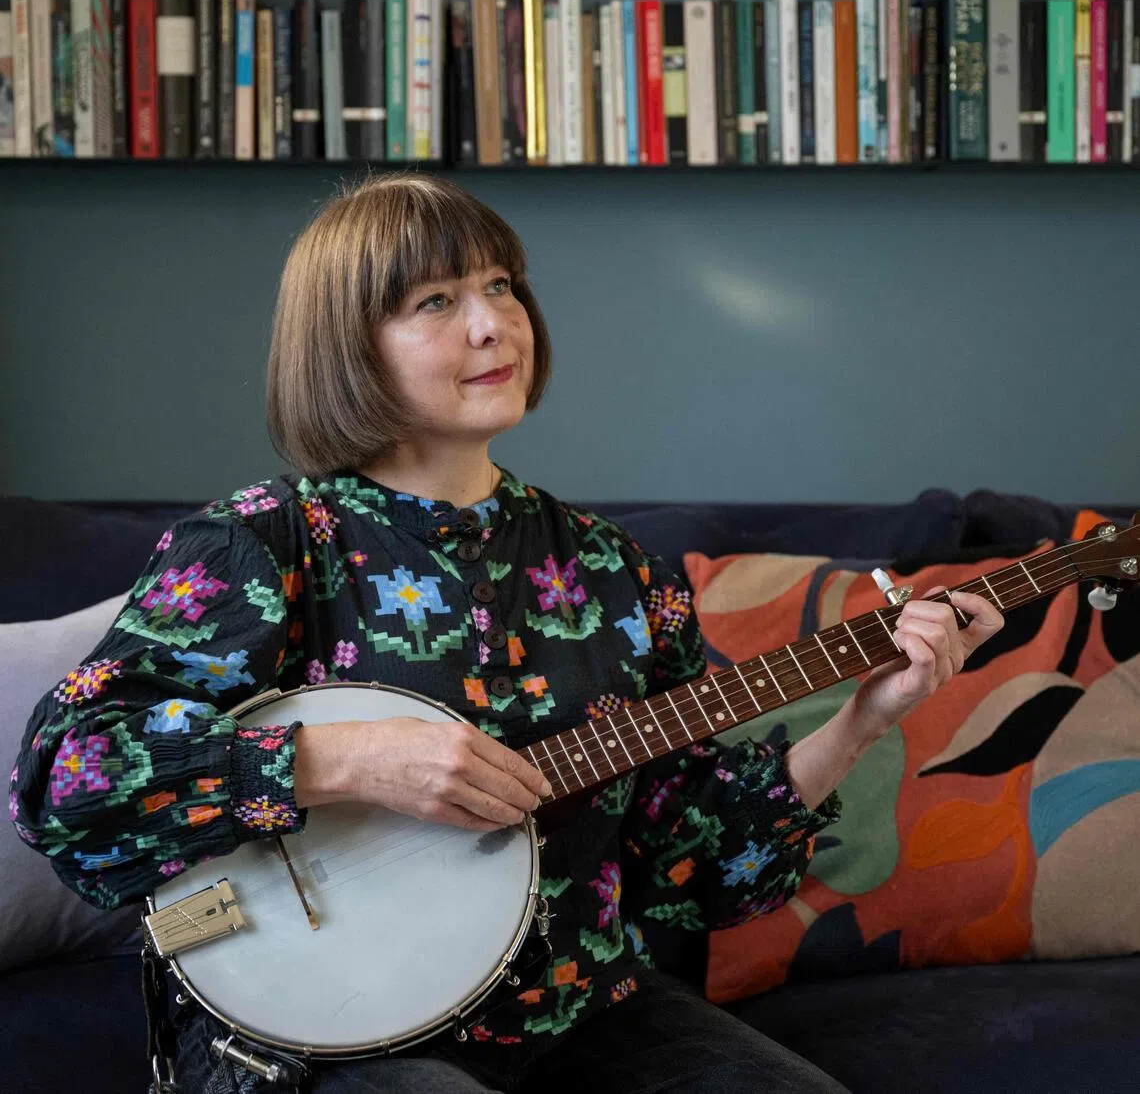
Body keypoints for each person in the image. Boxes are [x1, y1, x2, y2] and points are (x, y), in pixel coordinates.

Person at [10, 172, 1004, 1094]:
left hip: (574, 1007)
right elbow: (70, 783)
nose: (495, 324)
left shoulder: (611, 570)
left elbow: (688, 869)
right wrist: (347, 760)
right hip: (304, 1028)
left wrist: (864, 719)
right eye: (436, 301)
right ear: (346, 344)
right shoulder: (261, 544)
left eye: (501, 285)